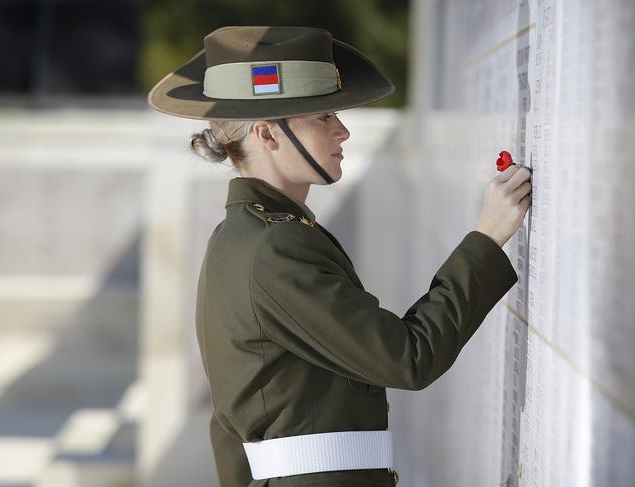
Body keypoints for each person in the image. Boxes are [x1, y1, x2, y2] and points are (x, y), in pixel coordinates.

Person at [148, 25, 532, 487]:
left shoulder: (249, 236)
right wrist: (487, 237)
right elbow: (409, 357)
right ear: (269, 134)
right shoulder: (273, 247)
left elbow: (228, 432)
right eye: (324, 116)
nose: (343, 131)